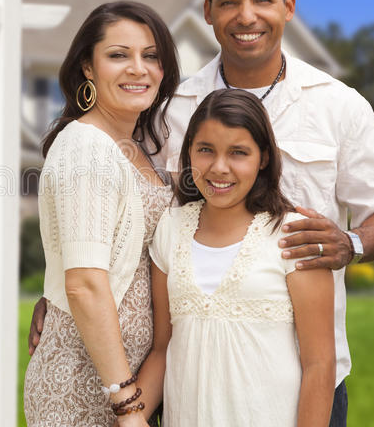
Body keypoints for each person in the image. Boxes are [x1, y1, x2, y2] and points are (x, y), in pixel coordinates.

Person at [28, 0, 374, 426]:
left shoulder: (339, 105)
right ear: (208, 12)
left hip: (308, 377)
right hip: (185, 378)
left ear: (288, 6)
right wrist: (64, 291)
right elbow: (120, 209)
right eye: (228, 1)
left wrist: (350, 243)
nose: (245, 15)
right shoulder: (169, 108)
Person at [22, 0, 180, 427]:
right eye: (118, 55)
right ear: (87, 69)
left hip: (128, 382)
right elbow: (86, 284)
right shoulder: (86, 147)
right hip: (85, 382)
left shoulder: (136, 148)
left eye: (151, 56)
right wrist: (127, 406)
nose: (138, 68)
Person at [140, 88, 335, 426]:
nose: (219, 168)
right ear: (188, 154)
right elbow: (162, 349)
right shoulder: (170, 229)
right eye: (205, 150)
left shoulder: (294, 236)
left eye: (238, 153)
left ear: (263, 158)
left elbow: (320, 364)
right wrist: (129, 415)